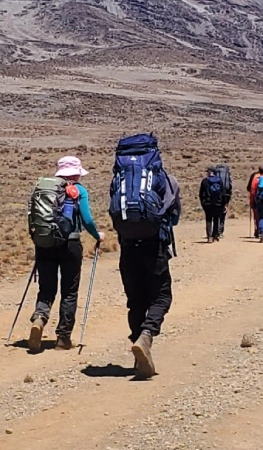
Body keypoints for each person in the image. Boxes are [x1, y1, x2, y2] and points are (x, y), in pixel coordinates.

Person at [108, 134, 180, 379]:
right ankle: (147, 336)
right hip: (154, 245)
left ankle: (139, 356)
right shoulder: (162, 178)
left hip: (128, 246)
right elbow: (175, 214)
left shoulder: (119, 180)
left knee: (135, 300)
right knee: (162, 296)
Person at [28, 156, 103, 352]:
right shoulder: (79, 190)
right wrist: (98, 235)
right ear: (76, 172)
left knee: (46, 288)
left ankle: (39, 319)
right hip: (70, 244)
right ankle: (63, 338)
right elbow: (86, 219)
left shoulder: (44, 189)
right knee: (69, 291)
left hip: (45, 243)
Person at [199, 167, 227, 243]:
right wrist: (223, 204)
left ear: (209, 172)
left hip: (207, 203)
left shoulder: (204, 181)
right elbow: (223, 193)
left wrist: (202, 203)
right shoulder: (219, 181)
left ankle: (209, 237)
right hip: (218, 203)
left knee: (208, 220)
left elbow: (201, 194)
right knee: (216, 219)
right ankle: (215, 236)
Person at [247, 167, 263, 238]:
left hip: (256, 199)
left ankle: (257, 231)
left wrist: (251, 201)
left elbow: (249, 188)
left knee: (257, 216)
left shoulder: (254, 176)